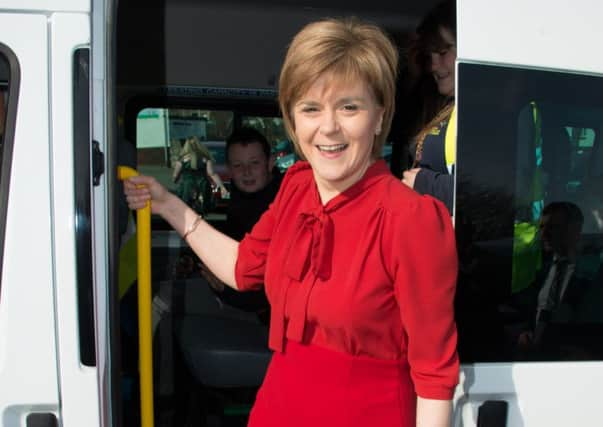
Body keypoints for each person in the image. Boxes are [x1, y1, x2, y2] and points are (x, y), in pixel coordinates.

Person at [125, 18, 459, 427]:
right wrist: (170, 207)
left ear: (378, 116)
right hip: (279, 405)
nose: (328, 126)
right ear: (293, 119)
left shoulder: (413, 219)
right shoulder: (296, 188)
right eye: (311, 108)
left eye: (349, 106)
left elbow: (433, 376)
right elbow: (243, 268)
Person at [201, 126, 282, 322]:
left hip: (271, 314)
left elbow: (271, 286)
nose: (246, 172)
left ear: (270, 163)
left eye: (254, 163)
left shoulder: (284, 204)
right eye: (238, 165)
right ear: (229, 169)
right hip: (246, 301)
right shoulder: (240, 202)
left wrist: (226, 290)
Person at [402, 0, 456, 214]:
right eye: (429, 56)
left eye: (443, 52)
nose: (434, 65)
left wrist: (426, 184)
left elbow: (493, 194)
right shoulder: (439, 104)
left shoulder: (489, 108)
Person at [172, 135, 229, 215]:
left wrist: (175, 179)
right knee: (205, 206)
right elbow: (212, 173)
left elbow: (175, 175)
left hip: (187, 187)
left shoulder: (182, 160)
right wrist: (221, 186)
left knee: (182, 207)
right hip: (202, 186)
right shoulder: (205, 159)